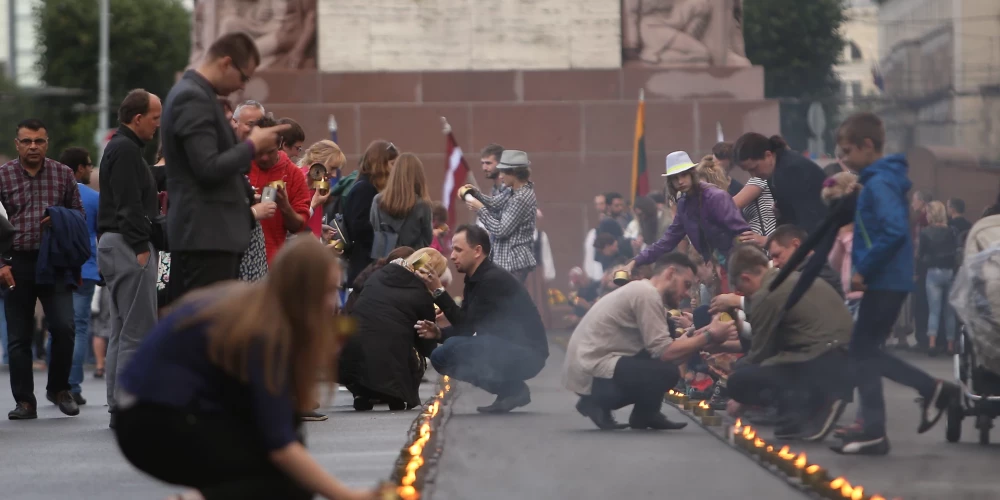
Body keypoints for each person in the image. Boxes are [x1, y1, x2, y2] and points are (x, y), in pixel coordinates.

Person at [114, 238, 379, 500]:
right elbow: (281, 446)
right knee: (288, 479)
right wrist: (348, 496)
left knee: (289, 462)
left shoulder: (256, 305)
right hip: (152, 422)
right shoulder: (267, 330)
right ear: (304, 291)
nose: (336, 302)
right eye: (329, 290)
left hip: (148, 410)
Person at [831, 112, 958, 455]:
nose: (843, 159)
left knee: (862, 353)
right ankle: (872, 425)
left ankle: (919, 397)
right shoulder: (876, 180)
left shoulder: (880, 183)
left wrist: (864, 270)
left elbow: (894, 232)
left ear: (867, 146)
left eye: (847, 151)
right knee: (864, 352)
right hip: (888, 279)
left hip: (884, 279)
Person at [161, 33, 289, 301]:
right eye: (244, 77)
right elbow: (207, 167)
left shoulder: (198, 95)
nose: (242, 87)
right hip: (205, 238)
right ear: (226, 63)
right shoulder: (192, 97)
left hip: (210, 236)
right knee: (207, 331)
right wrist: (252, 145)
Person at [564, 252, 735, 430]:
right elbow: (667, 353)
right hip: (591, 372)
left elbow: (667, 348)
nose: (686, 294)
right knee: (666, 371)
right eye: (686, 285)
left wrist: (701, 334)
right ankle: (598, 402)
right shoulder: (646, 294)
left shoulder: (646, 292)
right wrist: (709, 336)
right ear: (670, 274)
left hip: (594, 366)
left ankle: (645, 414)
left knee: (667, 336)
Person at [1, 119, 86, 420]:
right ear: (17, 144)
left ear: (47, 143)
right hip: (16, 262)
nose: (33, 146)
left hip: (54, 260)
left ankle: (60, 388)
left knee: (64, 327)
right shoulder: (3, 176)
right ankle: (25, 401)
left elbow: (79, 214)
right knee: (18, 337)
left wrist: (60, 217)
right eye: (27, 141)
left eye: (38, 141)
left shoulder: (63, 175)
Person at [414, 225, 548, 414]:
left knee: (450, 350)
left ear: (477, 251)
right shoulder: (477, 278)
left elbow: (466, 327)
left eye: (458, 250)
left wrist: (438, 291)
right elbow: (468, 324)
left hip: (528, 353)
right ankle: (510, 391)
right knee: (442, 355)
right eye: (453, 249)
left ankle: (513, 390)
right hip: (507, 347)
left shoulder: (491, 279)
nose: (452, 256)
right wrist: (438, 333)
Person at [725, 245, 853, 441]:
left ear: (746, 278)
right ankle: (800, 411)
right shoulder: (790, 277)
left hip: (825, 358)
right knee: (786, 427)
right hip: (841, 354)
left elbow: (760, 353)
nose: (745, 296)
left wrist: (740, 399)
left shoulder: (766, 294)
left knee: (739, 380)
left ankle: (821, 400)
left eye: (743, 291)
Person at [97, 89, 164, 427]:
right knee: (137, 332)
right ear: (137, 119)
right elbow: (128, 205)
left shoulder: (121, 147)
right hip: (128, 244)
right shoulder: (125, 150)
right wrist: (140, 247)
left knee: (123, 331)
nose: (157, 125)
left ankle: (118, 403)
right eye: (155, 118)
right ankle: (127, 406)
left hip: (118, 243)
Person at [339, 248, 447, 411]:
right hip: (390, 364)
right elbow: (426, 343)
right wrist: (437, 330)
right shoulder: (421, 295)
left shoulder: (377, 275)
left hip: (351, 359)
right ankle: (396, 394)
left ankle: (362, 393)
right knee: (409, 349)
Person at [622, 151, 749, 284]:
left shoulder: (716, 197)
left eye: (684, 175)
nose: (680, 181)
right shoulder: (683, 204)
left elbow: (742, 233)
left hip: (738, 266)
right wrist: (635, 262)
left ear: (692, 174)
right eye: (675, 178)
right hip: (714, 268)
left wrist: (739, 266)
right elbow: (666, 242)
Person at [58, 147, 99, 406]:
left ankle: (58, 384)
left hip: (59, 268)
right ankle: (72, 385)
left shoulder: (55, 194)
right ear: (80, 168)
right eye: (89, 165)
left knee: (58, 326)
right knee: (80, 326)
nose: (92, 169)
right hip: (88, 267)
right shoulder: (94, 198)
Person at [464, 150, 538, 282]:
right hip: (505, 263)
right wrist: (476, 194)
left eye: (504, 172)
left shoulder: (522, 198)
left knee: (504, 302)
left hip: (513, 264)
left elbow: (500, 230)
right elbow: (495, 203)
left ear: (514, 173)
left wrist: (480, 209)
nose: (501, 176)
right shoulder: (512, 190)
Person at [733, 133, 828, 235]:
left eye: (754, 168)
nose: (753, 175)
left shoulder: (790, 170)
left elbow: (807, 219)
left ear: (768, 155)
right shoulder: (777, 169)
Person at [246, 114, 311, 263]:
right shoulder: (241, 166)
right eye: (259, 152)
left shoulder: (294, 174)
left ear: (280, 144)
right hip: (239, 260)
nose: (264, 158)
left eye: (270, 151)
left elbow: (299, 226)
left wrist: (285, 207)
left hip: (273, 261)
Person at [343, 140, 398, 284]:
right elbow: (358, 226)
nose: (394, 170)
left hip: (367, 265)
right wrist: (384, 231)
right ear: (381, 164)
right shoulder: (365, 190)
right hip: (364, 266)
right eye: (392, 164)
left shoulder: (366, 188)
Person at [369, 153, 433, 254]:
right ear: (418, 176)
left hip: (384, 262)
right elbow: (427, 240)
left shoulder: (378, 200)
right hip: (412, 264)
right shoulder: (423, 205)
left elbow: (373, 231)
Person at [918, 201, 958, 355]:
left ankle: (932, 344)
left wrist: (919, 269)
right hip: (949, 272)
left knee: (934, 311)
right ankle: (950, 345)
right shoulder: (952, 231)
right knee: (949, 312)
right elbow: (956, 250)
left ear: (931, 214)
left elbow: (921, 255)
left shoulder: (925, 232)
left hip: (933, 272)